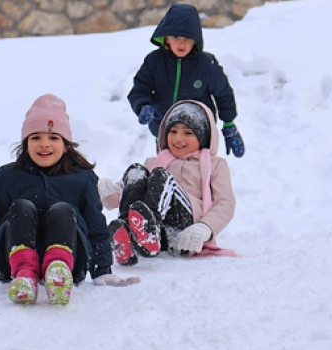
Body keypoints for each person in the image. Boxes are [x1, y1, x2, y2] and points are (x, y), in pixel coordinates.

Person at [0, 94, 138, 305]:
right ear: (25, 143)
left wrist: (102, 270)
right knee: (21, 207)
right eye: (35, 137)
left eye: (53, 138)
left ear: (66, 145)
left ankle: (58, 270)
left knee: (63, 210)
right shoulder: (6, 177)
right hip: (13, 261)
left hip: (71, 261)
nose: (44, 144)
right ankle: (25, 272)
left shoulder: (82, 178)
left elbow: (95, 226)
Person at [102, 100, 238, 265]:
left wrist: (204, 228)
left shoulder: (215, 164)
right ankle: (128, 233)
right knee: (136, 171)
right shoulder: (154, 161)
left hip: (184, 233)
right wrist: (107, 193)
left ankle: (148, 228)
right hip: (156, 239)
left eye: (188, 133)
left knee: (161, 176)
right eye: (172, 131)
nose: (178, 138)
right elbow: (124, 192)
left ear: (203, 137)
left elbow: (225, 203)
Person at [127, 3, 246, 157]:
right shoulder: (154, 62)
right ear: (166, 38)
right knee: (169, 171)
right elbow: (139, 90)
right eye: (176, 37)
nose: (182, 43)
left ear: (196, 40)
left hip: (198, 133)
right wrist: (144, 106)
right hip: (165, 132)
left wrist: (229, 123)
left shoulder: (205, 64)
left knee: (196, 173)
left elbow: (223, 93)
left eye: (188, 38)